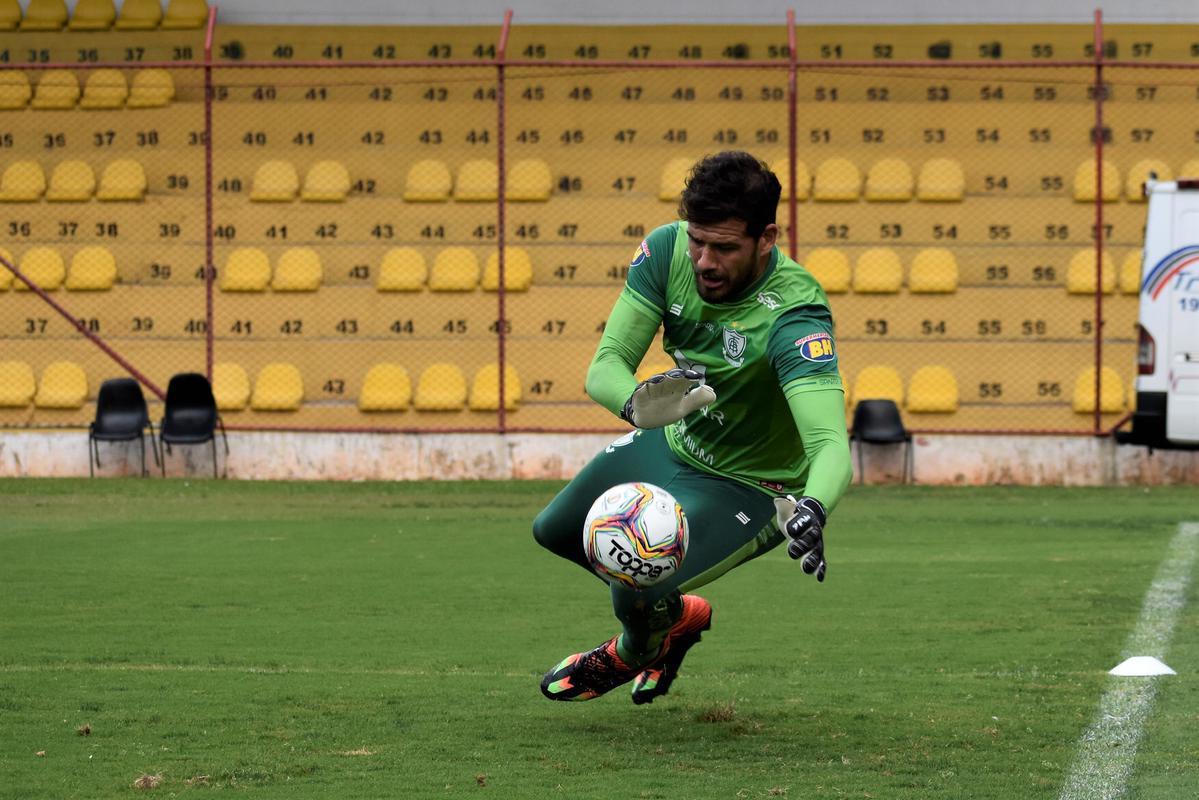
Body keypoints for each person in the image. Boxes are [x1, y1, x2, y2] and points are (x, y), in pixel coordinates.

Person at [533, 150, 853, 704]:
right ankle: (680, 620)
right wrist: (637, 406)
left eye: (725, 248)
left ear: (767, 238)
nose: (704, 260)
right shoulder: (663, 250)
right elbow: (605, 365)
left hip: (754, 485)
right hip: (674, 442)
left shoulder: (794, 317)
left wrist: (815, 506)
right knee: (556, 530)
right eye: (697, 241)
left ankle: (633, 652)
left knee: (642, 575)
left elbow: (829, 443)